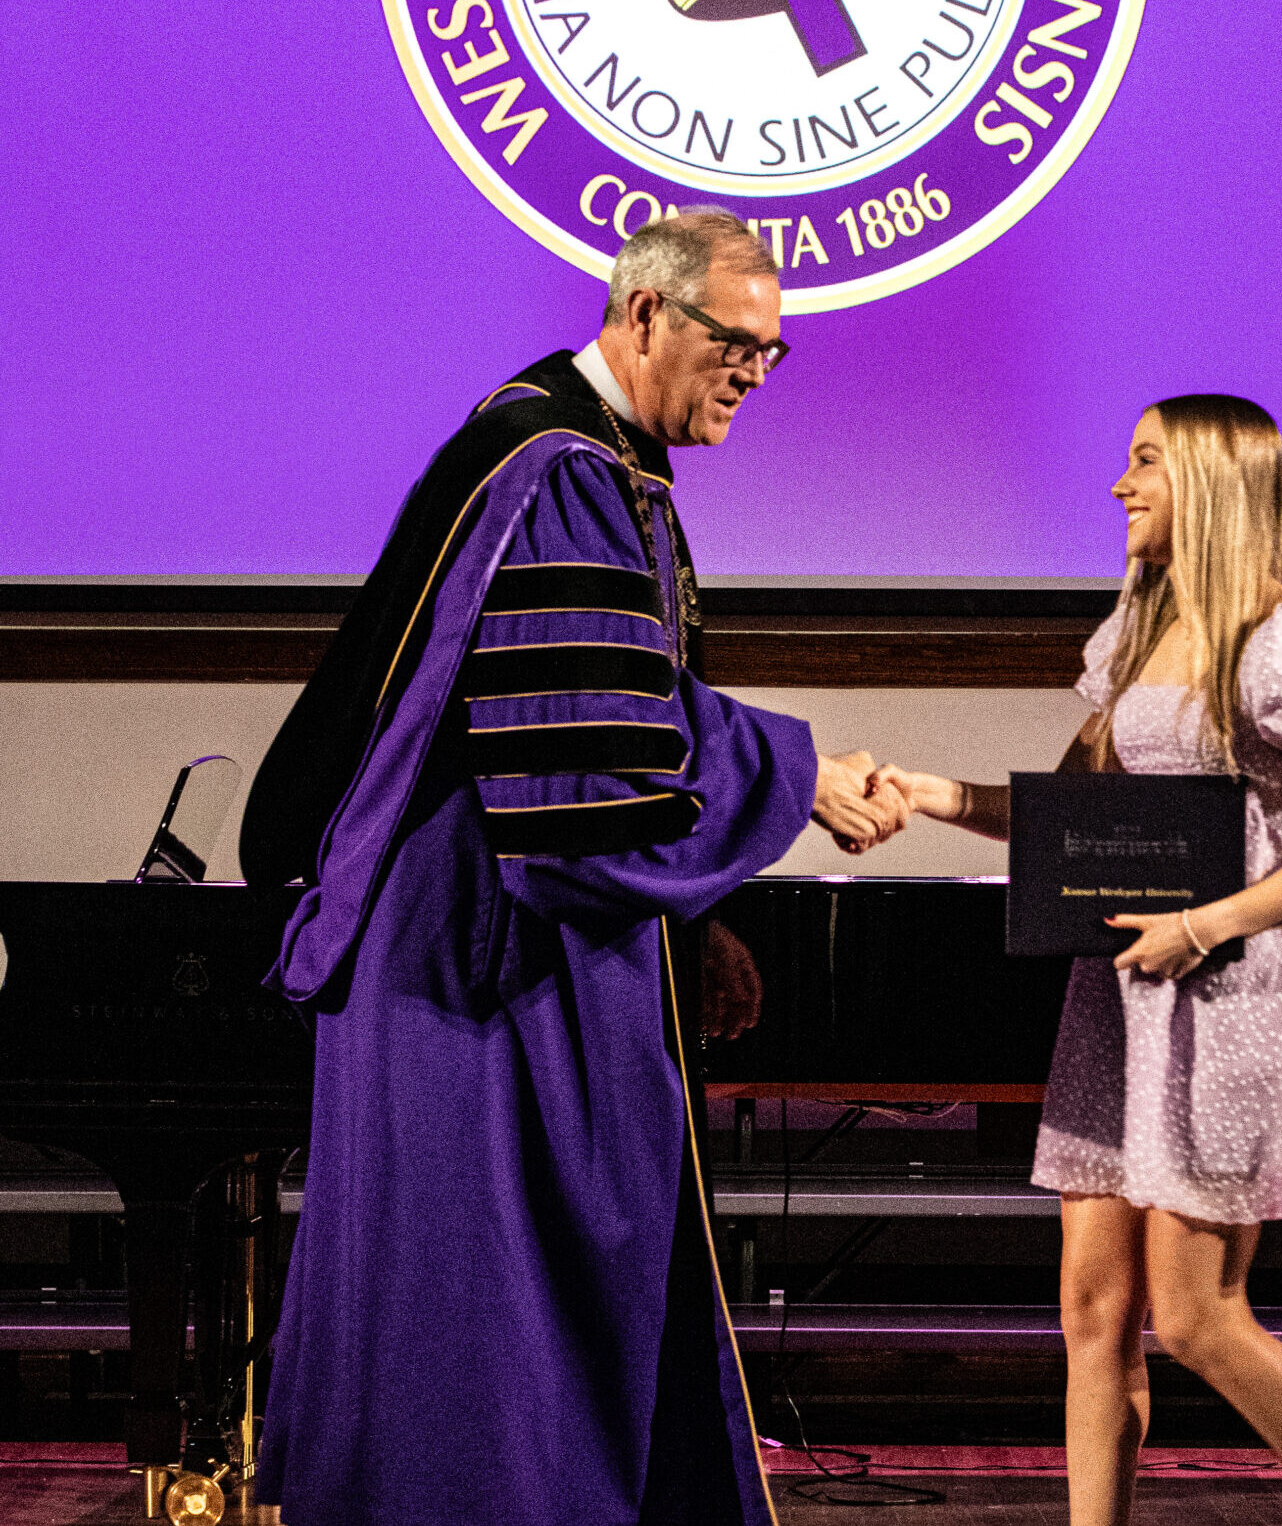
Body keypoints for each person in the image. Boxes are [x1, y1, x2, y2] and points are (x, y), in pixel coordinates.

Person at [239, 210, 906, 1526]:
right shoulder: (554, 468)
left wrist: (692, 913)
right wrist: (796, 773)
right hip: (477, 960)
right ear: (645, 314)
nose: (749, 375)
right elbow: (576, 773)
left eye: (772, 357)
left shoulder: (595, 459)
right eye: (734, 344)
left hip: (511, 928)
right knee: (485, 1316)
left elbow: (607, 720)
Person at [872, 395, 1282, 1526]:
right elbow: (1071, 818)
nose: (1120, 486)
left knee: (1194, 1318)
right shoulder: (1136, 630)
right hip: (1124, 1007)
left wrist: (1204, 924)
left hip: (1234, 1002)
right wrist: (934, 794)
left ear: (1213, 482)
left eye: (1145, 463)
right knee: (1093, 1313)